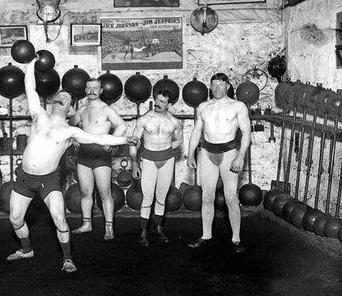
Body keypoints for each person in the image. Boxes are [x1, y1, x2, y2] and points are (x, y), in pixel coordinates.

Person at [6, 56, 139, 273]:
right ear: (53, 102)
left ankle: (67, 259)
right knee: (15, 218)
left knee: (60, 219)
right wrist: (30, 63)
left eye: (66, 98)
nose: (61, 98)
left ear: (70, 109)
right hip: (24, 178)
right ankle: (26, 249)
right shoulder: (39, 116)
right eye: (59, 96)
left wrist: (125, 139)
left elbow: (100, 139)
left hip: (48, 180)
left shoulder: (71, 131)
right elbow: (30, 88)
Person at [186, 73, 251, 253]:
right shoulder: (203, 107)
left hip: (229, 153)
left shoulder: (238, 106)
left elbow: (246, 133)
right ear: (210, 87)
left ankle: (236, 239)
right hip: (207, 153)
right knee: (207, 197)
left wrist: (240, 156)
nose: (217, 88)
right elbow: (196, 131)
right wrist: (190, 154)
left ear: (228, 86)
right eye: (214, 85)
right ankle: (206, 235)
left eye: (221, 85)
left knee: (231, 197)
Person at [68, 78, 127, 240]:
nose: (92, 90)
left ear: (101, 91)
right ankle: (86, 224)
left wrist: (111, 141)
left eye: (95, 88)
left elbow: (122, 126)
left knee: (105, 193)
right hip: (83, 156)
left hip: (101, 156)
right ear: (85, 90)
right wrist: (74, 139)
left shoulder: (106, 109)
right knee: (85, 192)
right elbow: (70, 126)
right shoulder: (81, 110)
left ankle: (109, 228)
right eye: (89, 88)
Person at [129, 89, 183, 246]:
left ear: (169, 104)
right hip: (149, 159)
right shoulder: (145, 119)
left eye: (162, 102)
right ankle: (143, 231)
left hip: (167, 159)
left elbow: (179, 140)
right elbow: (133, 142)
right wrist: (134, 163)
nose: (158, 103)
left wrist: (168, 148)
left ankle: (158, 228)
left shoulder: (174, 121)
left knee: (161, 195)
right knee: (147, 196)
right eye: (157, 100)